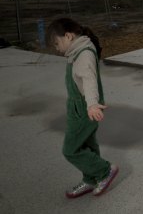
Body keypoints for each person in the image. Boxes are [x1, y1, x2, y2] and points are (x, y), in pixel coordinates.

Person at [47, 17, 119, 199]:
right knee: (87, 143)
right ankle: (90, 178)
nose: (56, 48)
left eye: (57, 43)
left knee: (71, 149)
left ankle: (104, 171)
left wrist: (92, 104)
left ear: (69, 36)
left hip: (85, 107)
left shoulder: (84, 54)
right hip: (78, 106)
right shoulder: (76, 51)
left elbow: (89, 80)